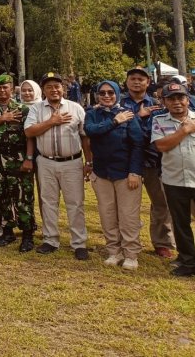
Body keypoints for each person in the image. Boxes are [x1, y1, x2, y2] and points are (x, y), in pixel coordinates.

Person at [24, 72, 91, 260]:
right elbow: (29, 131)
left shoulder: (75, 108)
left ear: (64, 88)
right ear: (43, 90)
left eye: (57, 86)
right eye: (49, 87)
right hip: (45, 161)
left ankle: (79, 243)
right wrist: (51, 122)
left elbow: (85, 137)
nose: (54, 90)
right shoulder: (37, 109)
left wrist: (89, 162)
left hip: (72, 162)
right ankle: (50, 240)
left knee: (75, 203)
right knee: (48, 202)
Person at [84, 80, 144, 270]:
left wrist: (135, 171)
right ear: (97, 95)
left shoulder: (129, 115)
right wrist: (115, 121)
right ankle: (114, 251)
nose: (107, 96)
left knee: (128, 215)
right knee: (107, 213)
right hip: (102, 173)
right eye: (102, 93)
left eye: (111, 92)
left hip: (126, 173)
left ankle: (131, 253)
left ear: (117, 94)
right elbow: (91, 131)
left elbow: (138, 145)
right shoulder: (92, 114)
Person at [0, 74, 36, 252]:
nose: (2, 90)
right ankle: (8, 231)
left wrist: (29, 159)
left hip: (18, 160)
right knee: (1, 196)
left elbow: (30, 136)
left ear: (12, 88)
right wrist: (2, 119)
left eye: (6, 87)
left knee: (23, 198)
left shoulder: (23, 109)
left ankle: (27, 235)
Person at [120, 67, 175, 259]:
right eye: (133, 78)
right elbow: (113, 127)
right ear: (127, 82)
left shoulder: (158, 105)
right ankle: (124, 240)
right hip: (125, 161)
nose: (136, 82)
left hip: (153, 161)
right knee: (126, 205)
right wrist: (137, 116)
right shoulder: (118, 103)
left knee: (161, 203)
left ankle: (162, 242)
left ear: (147, 82)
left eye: (141, 79)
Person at [151, 81, 195, 277]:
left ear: (188, 100)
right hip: (174, 181)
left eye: (180, 97)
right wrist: (184, 131)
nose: (177, 102)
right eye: (171, 99)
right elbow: (161, 146)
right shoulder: (159, 121)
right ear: (164, 102)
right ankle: (188, 261)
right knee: (180, 223)